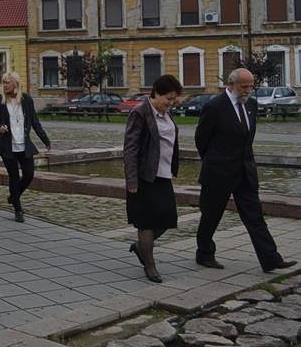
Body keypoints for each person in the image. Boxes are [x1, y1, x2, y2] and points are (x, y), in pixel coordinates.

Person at [195, 68, 297, 273]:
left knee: (255, 216)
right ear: (231, 84)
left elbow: (246, 139)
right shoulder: (214, 107)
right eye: (244, 86)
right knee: (211, 215)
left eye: (251, 86)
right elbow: (201, 139)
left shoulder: (251, 104)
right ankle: (204, 253)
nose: (248, 90)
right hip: (218, 173)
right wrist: (214, 161)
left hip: (244, 172)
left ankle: (270, 258)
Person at [123, 74, 182, 283]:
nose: (171, 102)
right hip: (144, 176)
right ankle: (150, 265)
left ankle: (141, 247)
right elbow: (130, 149)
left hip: (163, 174)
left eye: (174, 99)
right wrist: (131, 180)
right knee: (146, 222)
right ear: (156, 93)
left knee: (167, 219)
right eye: (168, 98)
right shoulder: (140, 112)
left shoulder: (166, 113)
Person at [0, 71, 51, 223]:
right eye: (3, 82)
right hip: (7, 145)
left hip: (24, 145)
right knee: (14, 177)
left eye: (7, 82)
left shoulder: (26, 99)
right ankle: (18, 209)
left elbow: (35, 121)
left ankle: (13, 196)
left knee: (29, 175)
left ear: (16, 83)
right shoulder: (0, 100)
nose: (5, 85)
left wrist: (45, 140)